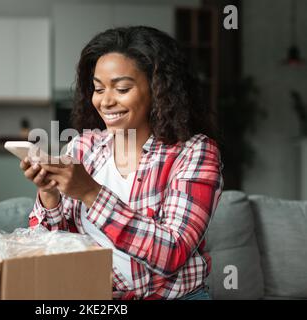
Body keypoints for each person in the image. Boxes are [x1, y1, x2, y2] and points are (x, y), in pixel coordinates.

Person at [20, 26, 224, 300]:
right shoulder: (83, 147)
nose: (106, 101)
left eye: (122, 88)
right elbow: (53, 249)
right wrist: (49, 195)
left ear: (158, 90)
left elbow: (172, 253)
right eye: (98, 88)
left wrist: (91, 193)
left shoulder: (195, 152)